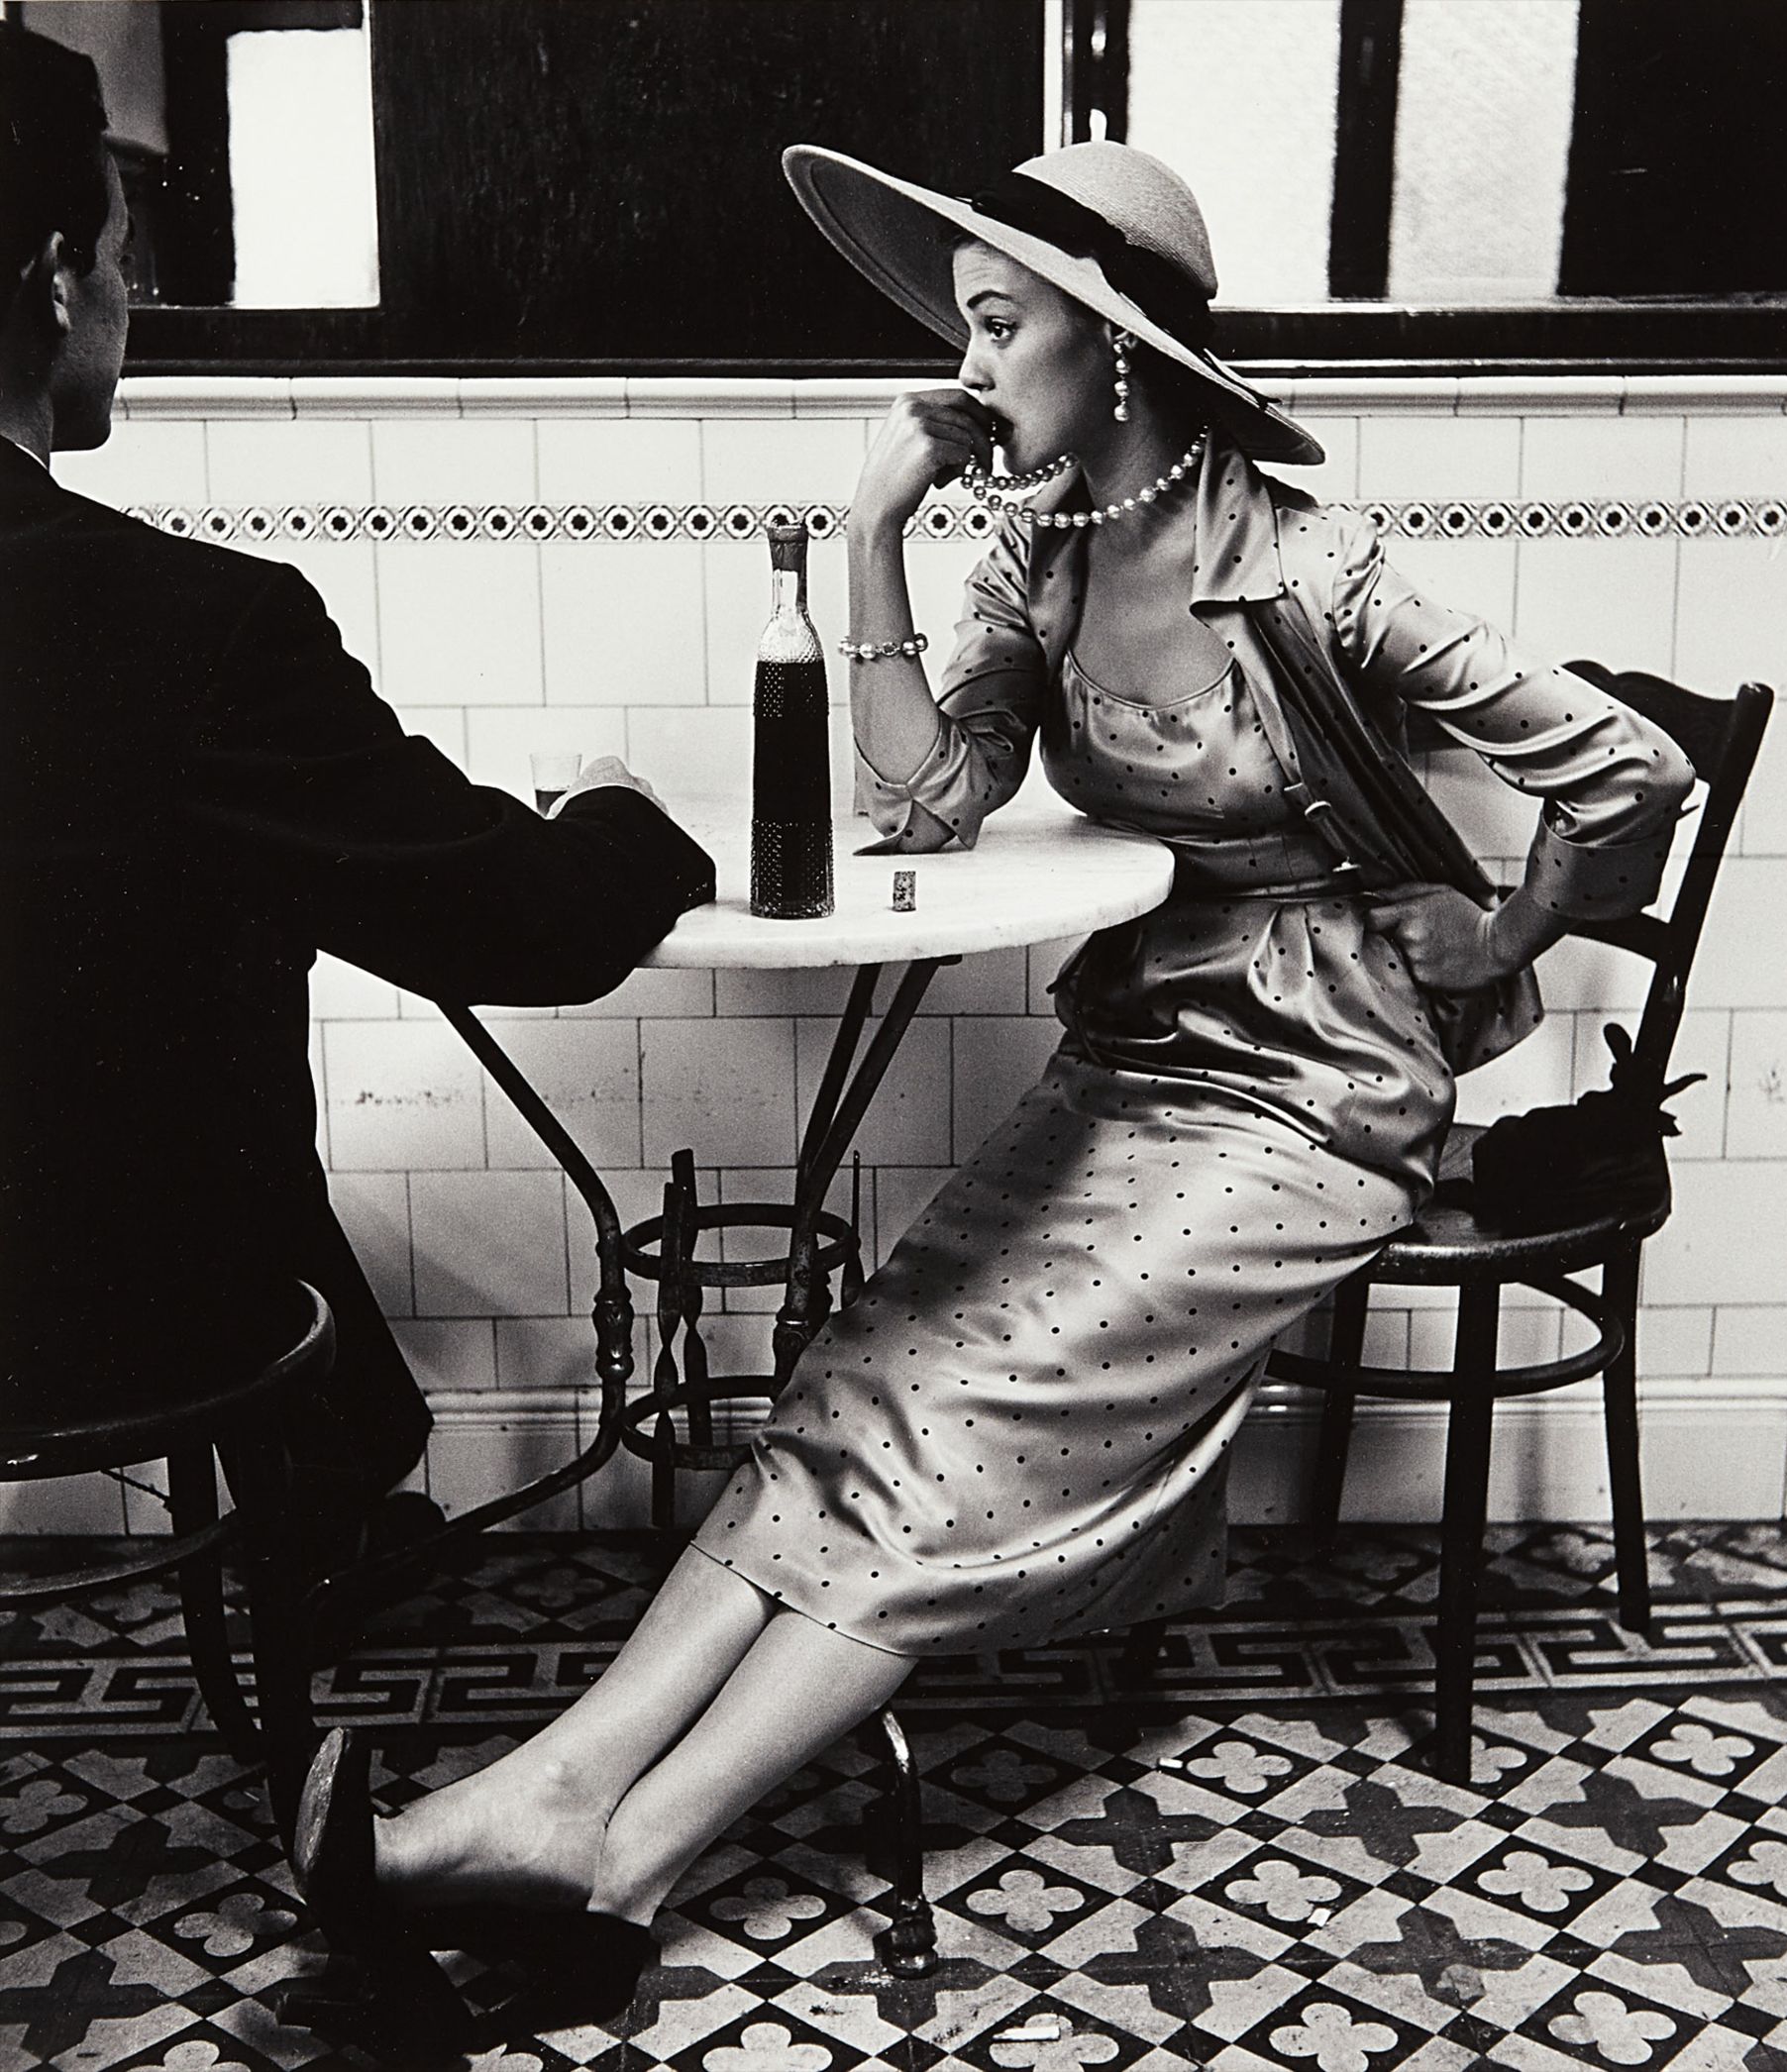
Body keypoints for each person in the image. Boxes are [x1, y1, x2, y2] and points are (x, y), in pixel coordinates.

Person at [291, 141, 1691, 1983]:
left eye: (999, 326)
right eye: (964, 325)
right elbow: (925, 800)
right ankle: (552, 1805)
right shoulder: (1036, 547)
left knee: (954, 1422)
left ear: (1119, 351)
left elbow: (1629, 771)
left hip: (1322, 1089)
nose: (964, 370)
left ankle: (619, 1855)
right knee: (868, 1368)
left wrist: (1502, 940)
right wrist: (877, 528)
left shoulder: (1312, 564)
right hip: (1149, 1053)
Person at [0, 26, 715, 1571]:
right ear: (59, 274)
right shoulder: (184, 626)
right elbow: (527, 928)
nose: (124, 300)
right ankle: (328, 1491)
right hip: (99, 1324)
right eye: (121, 257)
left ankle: (340, 1475)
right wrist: (618, 809)